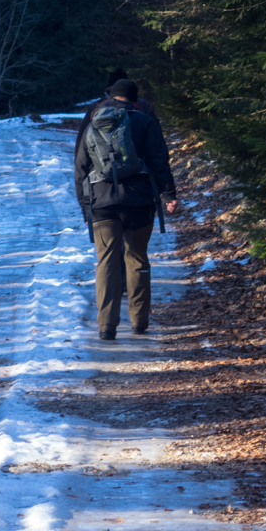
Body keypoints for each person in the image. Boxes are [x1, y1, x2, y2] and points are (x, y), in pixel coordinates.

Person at [75, 79, 179, 341]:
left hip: (101, 202)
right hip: (139, 201)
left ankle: (106, 326)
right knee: (137, 258)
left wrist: (84, 205)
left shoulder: (94, 121)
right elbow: (159, 160)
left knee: (107, 261)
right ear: (135, 100)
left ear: (110, 97)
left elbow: (80, 167)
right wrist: (169, 194)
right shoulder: (145, 122)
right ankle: (139, 321)